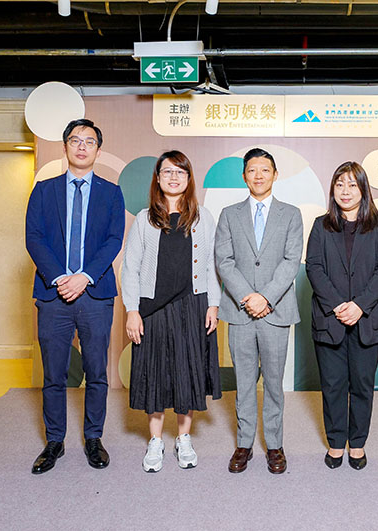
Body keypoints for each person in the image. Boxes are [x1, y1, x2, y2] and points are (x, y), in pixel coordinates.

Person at [26, 118, 125, 474]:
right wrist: (59, 278)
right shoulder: (44, 190)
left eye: (89, 141)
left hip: (95, 294)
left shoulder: (111, 193)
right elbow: (34, 237)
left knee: (97, 371)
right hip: (53, 295)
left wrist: (83, 277)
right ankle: (54, 441)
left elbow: (113, 240)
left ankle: (94, 438)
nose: (82, 146)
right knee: (54, 373)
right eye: (75, 140)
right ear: (65, 146)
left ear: (98, 149)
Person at [122, 150, 221, 473]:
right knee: (155, 374)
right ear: (158, 178)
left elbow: (212, 264)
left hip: (192, 305)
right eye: (167, 172)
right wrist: (132, 310)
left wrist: (213, 304)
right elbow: (130, 267)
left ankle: (183, 438)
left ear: (189, 178)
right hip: (153, 307)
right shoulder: (144, 219)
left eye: (180, 172)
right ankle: (155, 441)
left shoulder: (203, 217)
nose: (174, 177)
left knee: (186, 372)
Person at [215, 148, 303, 474]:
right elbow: (224, 261)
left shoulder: (291, 214)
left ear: (275, 175)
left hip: (275, 312)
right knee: (244, 381)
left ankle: (275, 445)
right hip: (239, 312)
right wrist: (247, 297)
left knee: (274, 383)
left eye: (265, 170)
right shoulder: (229, 214)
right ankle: (244, 443)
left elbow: (291, 261)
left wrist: (265, 297)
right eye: (252, 170)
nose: (259, 175)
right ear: (244, 176)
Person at [305, 161, 378, 470]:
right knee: (332, 385)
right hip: (329, 319)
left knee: (362, 385)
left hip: (368, 319)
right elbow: (314, 267)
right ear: (332, 189)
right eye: (339, 184)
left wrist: (359, 305)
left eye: (352, 184)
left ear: (363, 189)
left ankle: (357, 444)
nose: (345, 191)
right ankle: (335, 443)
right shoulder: (321, 225)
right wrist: (337, 305)